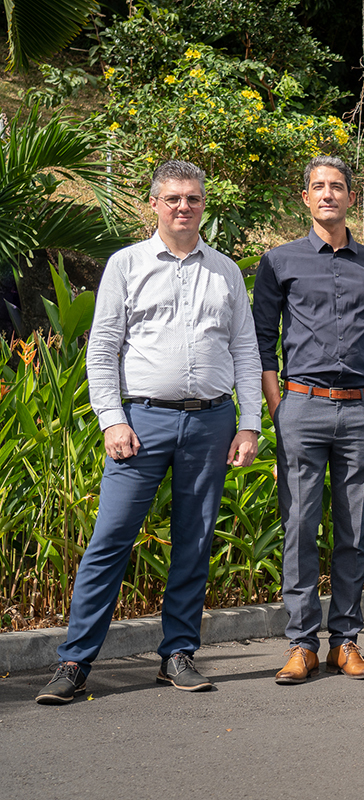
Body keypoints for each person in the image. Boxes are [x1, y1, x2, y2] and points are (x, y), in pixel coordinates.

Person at [36, 160, 261, 705]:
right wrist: (111, 419)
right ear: (154, 203)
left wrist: (250, 424)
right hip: (141, 422)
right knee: (110, 539)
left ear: (203, 205)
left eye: (193, 199)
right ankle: (74, 663)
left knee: (194, 541)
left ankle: (177, 654)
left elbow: (246, 350)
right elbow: (103, 347)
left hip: (211, 421)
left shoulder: (225, 271)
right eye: (173, 199)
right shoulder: (126, 264)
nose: (184, 207)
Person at [253, 155, 364, 684]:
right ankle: (301, 645)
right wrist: (281, 413)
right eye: (318, 187)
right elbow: (261, 346)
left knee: (353, 530)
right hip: (302, 407)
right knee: (298, 527)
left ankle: (345, 642)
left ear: (351, 197)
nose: (327, 194)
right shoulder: (279, 262)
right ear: (305, 198)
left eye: (337, 187)